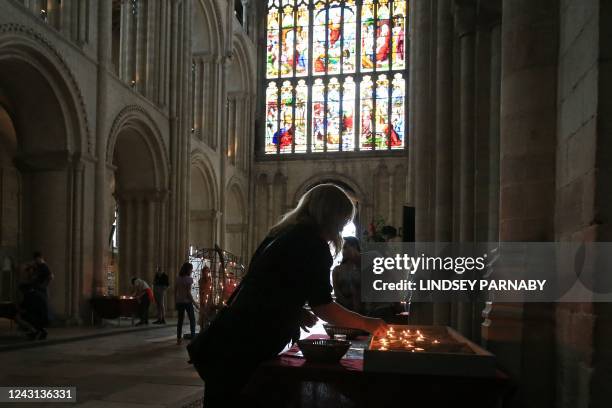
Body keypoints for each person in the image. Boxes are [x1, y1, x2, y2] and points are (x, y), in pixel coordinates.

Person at [187, 184, 388, 408]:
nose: (342, 227)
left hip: (233, 333)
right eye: (343, 220)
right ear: (332, 216)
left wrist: (295, 309)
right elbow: (324, 307)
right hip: (249, 342)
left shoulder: (281, 234)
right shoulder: (313, 244)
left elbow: (266, 284)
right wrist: (367, 323)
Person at [332, 237, 363, 313]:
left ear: (355, 246)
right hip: (342, 306)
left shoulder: (361, 266)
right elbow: (336, 290)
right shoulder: (337, 269)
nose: (344, 251)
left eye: (346, 247)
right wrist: (346, 303)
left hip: (361, 307)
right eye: (343, 248)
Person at [175, 263, 198, 345]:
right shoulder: (189, 279)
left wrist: (175, 301)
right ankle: (193, 338)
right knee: (192, 319)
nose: (192, 270)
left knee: (180, 321)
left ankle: (178, 339)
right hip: (187, 302)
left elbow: (175, 291)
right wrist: (195, 303)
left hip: (179, 301)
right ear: (188, 269)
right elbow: (188, 293)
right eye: (191, 269)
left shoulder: (178, 278)